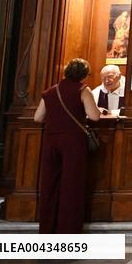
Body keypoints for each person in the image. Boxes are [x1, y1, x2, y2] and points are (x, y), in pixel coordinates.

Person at [33, 57, 101, 234]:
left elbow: (37, 118)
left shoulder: (50, 91)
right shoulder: (83, 90)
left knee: (50, 183)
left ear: (65, 72)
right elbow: (94, 116)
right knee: (72, 184)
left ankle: (47, 228)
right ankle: (68, 230)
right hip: (73, 142)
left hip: (51, 141)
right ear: (84, 75)